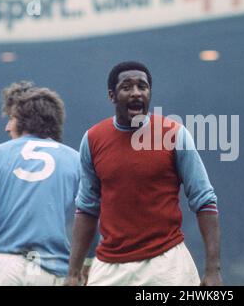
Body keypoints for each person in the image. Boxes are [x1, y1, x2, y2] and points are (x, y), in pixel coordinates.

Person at [65, 61, 222, 286]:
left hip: (167, 266)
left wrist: (213, 269)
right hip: (109, 268)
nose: (136, 93)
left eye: (142, 86)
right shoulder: (92, 139)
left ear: (149, 93)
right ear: (112, 95)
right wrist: (73, 272)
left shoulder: (175, 134)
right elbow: (87, 208)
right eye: (127, 87)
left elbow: (205, 201)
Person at [0, 81, 93, 286]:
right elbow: (92, 214)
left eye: (11, 118)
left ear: (25, 120)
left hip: (4, 267)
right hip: (54, 270)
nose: (7, 127)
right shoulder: (75, 159)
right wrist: (86, 262)